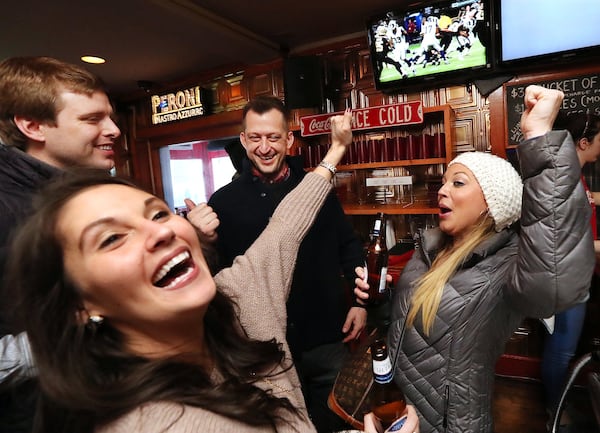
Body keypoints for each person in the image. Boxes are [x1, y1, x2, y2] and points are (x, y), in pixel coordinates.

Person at [3, 111, 419, 433]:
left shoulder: (239, 296)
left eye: (158, 213)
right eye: (112, 238)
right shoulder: (146, 420)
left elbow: (285, 227)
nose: (158, 233)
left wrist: (334, 153)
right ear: (79, 303)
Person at [354, 85, 594, 433]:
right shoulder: (430, 250)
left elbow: (555, 280)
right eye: (444, 181)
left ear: (491, 204)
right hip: (397, 415)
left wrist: (541, 139)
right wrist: (380, 300)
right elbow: (412, 328)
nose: (442, 190)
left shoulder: (505, 265)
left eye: (459, 183)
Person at [186, 96, 367, 432]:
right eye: (255, 138)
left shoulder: (317, 189)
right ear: (243, 140)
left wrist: (359, 304)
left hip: (327, 336)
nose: (264, 147)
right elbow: (218, 277)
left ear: (289, 140)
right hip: (262, 348)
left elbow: (349, 244)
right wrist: (202, 241)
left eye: (273, 137)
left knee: (335, 420)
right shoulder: (223, 201)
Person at [0, 56, 121, 433]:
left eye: (110, 116)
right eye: (92, 119)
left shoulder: (83, 193)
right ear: (33, 125)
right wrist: (90, 328)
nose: (114, 129)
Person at [541, 111, 600, 425]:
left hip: (576, 275)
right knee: (561, 350)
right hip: (566, 278)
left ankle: (557, 406)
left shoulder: (574, 175)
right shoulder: (563, 179)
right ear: (584, 142)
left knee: (564, 347)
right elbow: (561, 238)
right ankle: (555, 412)